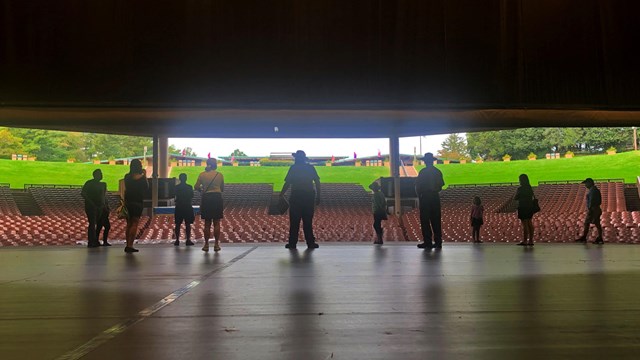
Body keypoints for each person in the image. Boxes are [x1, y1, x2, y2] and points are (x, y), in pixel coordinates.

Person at [280, 150, 321, 250]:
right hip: (308, 196)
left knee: (294, 221)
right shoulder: (310, 168)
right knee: (307, 221)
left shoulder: (293, 168)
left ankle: (292, 243)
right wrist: (318, 195)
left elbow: (287, 183)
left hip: (296, 196)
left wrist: (281, 194)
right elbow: (317, 182)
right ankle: (310, 243)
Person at [415, 152, 445, 250]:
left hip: (425, 198)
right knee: (436, 220)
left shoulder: (422, 172)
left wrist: (420, 195)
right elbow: (441, 186)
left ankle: (428, 242)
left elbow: (418, 187)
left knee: (425, 221)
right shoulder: (437, 171)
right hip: (435, 197)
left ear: (425, 162)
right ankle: (438, 242)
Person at [195, 158, 224, 252]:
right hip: (217, 198)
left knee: (207, 223)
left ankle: (206, 244)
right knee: (217, 222)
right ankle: (216, 244)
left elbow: (196, 187)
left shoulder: (202, 175)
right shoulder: (219, 175)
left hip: (206, 198)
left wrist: (202, 190)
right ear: (215, 165)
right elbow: (222, 188)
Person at [124, 159, 148, 253]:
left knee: (128, 224)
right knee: (135, 223)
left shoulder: (127, 177)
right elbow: (146, 187)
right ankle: (130, 245)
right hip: (137, 202)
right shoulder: (142, 178)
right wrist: (144, 175)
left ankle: (127, 244)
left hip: (128, 202)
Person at [81, 169, 109, 248]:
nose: (101, 175)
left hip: (101, 207)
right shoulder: (89, 183)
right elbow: (83, 193)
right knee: (92, 224)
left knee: (100, 224)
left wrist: (105, 206)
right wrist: (91, 203)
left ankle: (96, 240)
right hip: (91, 207)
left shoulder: (103, 184)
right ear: (95, 175)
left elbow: (104, 196)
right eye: (100, 173)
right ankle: (91, 241)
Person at [575, 178, 604, 244]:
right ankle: (598, 238)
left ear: (590, 183)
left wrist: (590, 210)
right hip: (595, 209)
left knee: (591, 223)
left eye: (586, 183)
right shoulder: (594, 190)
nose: (585, 185)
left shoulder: (592, 190)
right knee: (595, 223)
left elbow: (591, 201)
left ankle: (587, 237)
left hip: (593, 209)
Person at [174, 173, 195, 246]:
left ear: (179, 179)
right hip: (187, 206)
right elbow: (192, 195)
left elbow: (174, 195)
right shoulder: (189, 187)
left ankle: (177, 240)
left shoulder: (176, 187)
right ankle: (188, 240)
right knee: (188, 224)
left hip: (179, 206)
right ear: (186, 179)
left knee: (178, 224)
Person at [514, 174, 535, 246]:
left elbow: (515, 198)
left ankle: (525, 240)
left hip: (522, 207)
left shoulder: (520, 189)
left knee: (525, 224)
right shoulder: (529, 188)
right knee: (529, 223)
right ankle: (531, 240)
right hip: (529, 207)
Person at [369, 180, 387, 245]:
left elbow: (377, 204)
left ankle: (380, 239)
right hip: (381, 211)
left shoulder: (375, 195)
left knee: (376, 225)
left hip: (377, 211)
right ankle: (379, 238)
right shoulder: (381, 193)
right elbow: (384, 203)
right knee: (377, 224)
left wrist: (378, 209)